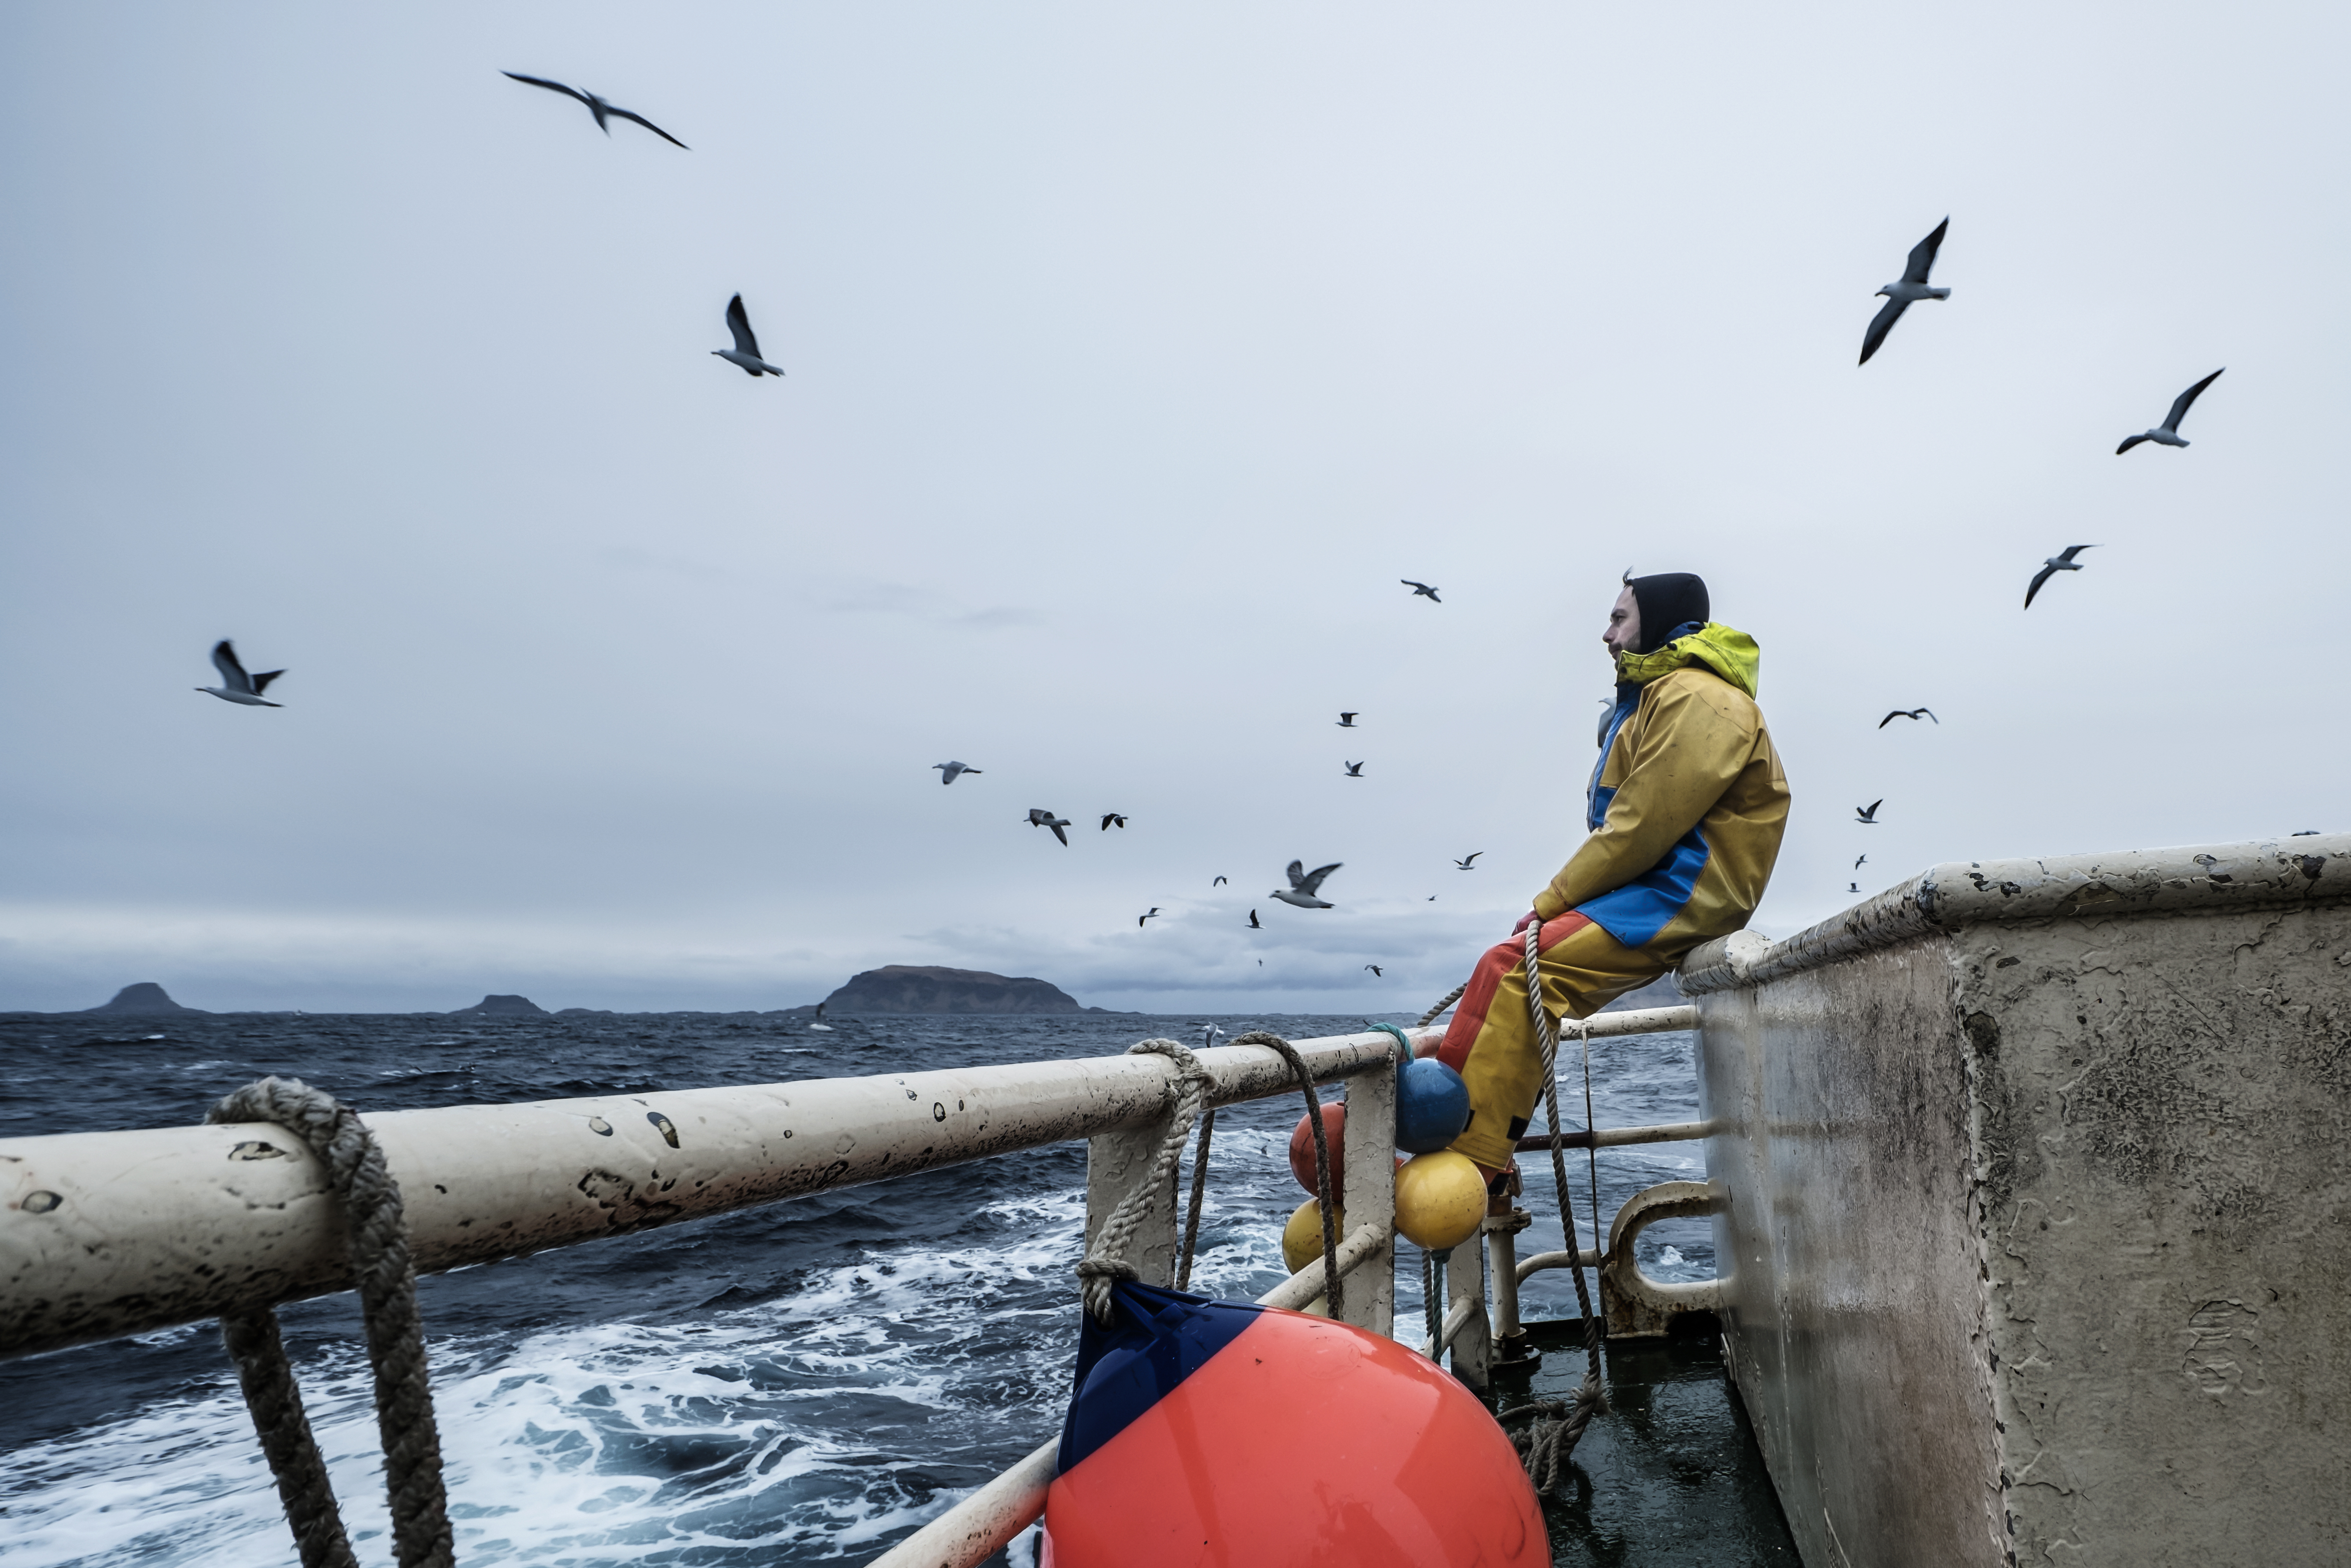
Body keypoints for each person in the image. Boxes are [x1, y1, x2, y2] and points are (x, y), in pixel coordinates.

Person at [1433, 571, 1790, 1178]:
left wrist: (1551, 902)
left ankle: (1467, 1164)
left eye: (1620, 618)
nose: (1607, 634)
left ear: (1661, 621)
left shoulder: (1697, 698)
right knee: (1516, 964)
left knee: (1517, 969)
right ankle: (1478, 1149)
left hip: (1680, 891)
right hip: (1662, 885)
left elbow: (1640, 825)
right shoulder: (1661, 697)